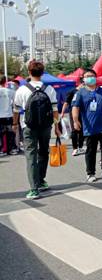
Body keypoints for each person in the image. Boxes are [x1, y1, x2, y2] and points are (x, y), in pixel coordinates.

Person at [13, 60, 61, 199]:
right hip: (46, 126)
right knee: (44, 152)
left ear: (29, 72)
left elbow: (16, 109)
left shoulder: (22, 89)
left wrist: (15, 124)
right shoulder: (49, 89)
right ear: (42, 73)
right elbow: (55, 110)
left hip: (28, 126)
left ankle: (34, 189)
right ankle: (41, 180)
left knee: (31, 156)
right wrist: (57, 127)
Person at [60, 78, 85, 156]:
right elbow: (66, 103)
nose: (85, 86)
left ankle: (80, 147)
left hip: (83, 113)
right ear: (80, 83)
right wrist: (62, 112)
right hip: (73, 112)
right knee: (74, 130)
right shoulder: (72, 92)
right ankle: (75, 148)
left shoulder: (85, 91)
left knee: (82, 131)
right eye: (84, 84)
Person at [0, 76, 17, 156]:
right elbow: (15, 104)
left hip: (0, 115)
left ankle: (1, 150)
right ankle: (10, 149)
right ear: (5, 82)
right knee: (10, 133)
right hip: (8, 115)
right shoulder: (11, 91)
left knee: (0, 134)